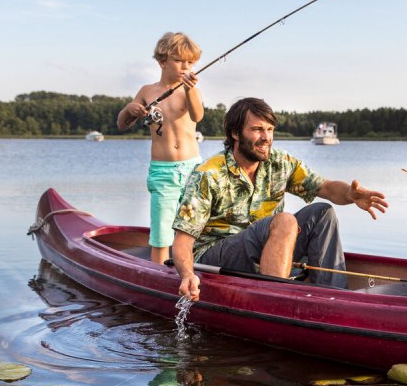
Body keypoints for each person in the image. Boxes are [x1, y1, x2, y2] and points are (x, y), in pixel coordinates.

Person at [171, 97, 387, 300]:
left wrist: (349, 193)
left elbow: (326, 187)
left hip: (267, 249)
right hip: (214, 256)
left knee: (322, 212)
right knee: (285, 220)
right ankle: (275, 300)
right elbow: (182, 241)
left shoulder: (280, 162)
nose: (266, 137)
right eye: (257, 129)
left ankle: (334, 298)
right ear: (235, 133)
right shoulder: (208, 174)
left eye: (270, 129)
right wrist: (187, 274)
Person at [116, 31, 206, 264]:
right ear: (162, 61)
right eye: (179, 61)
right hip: (163, 171)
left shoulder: (189, 90)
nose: (185, 67)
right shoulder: (148, 91)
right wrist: (130, 109)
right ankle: (158, 273)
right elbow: (122, 124)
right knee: (161, 231)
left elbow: (198, 115)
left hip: (192, 170)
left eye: (190, 63)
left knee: (192, 226)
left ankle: (191, 270)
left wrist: (190, 90)